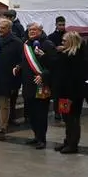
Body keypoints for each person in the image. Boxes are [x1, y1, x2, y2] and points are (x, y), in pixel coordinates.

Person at [14, 22, 54, 150]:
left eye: (34, 30)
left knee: (41, 114)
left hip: (41, 85)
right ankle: (36, 136)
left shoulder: (47, 44)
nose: (31, 32)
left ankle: (42, 139)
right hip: (28, 85)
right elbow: (24, 61)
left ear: (41, 31)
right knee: (31, 113)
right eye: (30, 29)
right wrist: (19, 67)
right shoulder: (26, 45)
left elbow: (53, 65)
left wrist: (43, 75)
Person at [52, 32, 87, 154]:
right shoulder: (66, 54)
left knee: (73, 119)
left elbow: (75, 78)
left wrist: (72, 96)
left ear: (71, 42)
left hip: (72, 94)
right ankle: (67, 141)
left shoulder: (76, 56)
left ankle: (73, 144)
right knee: (66, 118)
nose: (62, 43)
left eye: (64, 41)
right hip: (64, 92)